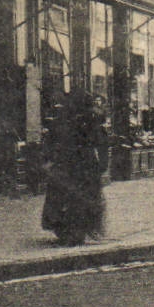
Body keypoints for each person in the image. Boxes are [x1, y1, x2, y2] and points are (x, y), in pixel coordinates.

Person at [40, 91, 107, 245]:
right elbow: (101, 143)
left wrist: (48, 160)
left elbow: (50, 142)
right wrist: (102, 164)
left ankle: (68, 229)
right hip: (84, 165)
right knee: (83, 198)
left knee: (65, 197)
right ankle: (78, 230)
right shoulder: (91, 120)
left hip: (66, 164)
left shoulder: (62, 120)